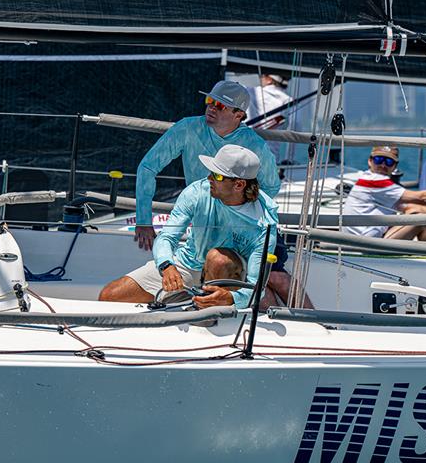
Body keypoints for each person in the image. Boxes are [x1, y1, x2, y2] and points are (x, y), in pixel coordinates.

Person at [100, 145, 278, 309]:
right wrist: (167, 266)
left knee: (218, 259)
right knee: (108, 296)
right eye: (211, 171)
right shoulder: (197, 191)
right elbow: (166, 237)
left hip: (231, 275)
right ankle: (190, 300)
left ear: (239, 185)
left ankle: (209, 315)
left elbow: (256, 285)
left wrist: (232, 298)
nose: (209, 178)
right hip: (187, 264)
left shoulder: (265, 222)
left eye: (217, 175)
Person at [134, 80, 281, 251]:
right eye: (209, 101)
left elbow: (271, 187)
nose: (212, 107)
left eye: (220, 105)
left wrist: (239, 210)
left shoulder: (255, 145)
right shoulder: (187, 128)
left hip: (237, 226)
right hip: (199, 217)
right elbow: (147, 167)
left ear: (238, 115)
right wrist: (143, 220)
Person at [342, 146, 426, 242]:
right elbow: (421, 197)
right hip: (367, 244)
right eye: (378, 160)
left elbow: (416, 205)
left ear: (395, 166)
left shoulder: (368, 180)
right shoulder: (374, 181)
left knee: (417, 213)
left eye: (389, 162)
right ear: (370, 161)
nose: (383, 165)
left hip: (364, 241)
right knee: (422, 219)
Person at [246, 74, 293, 160]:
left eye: (262, 75)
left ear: (269, 80)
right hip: (272, 160)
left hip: (247, 155)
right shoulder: (290, 101)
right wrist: (289, 159)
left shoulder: (251, 92)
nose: (260, 78)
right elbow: (295, 126)